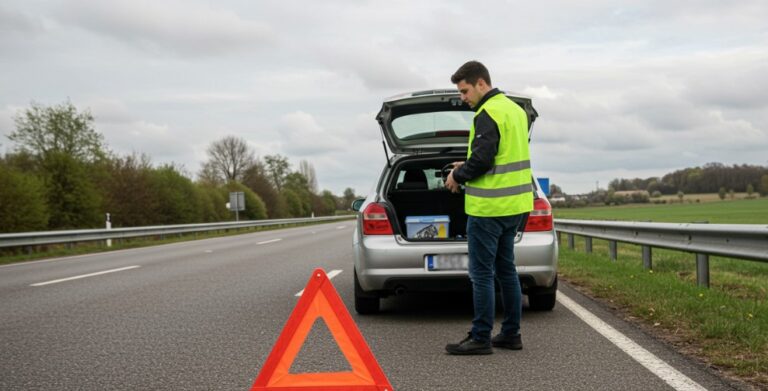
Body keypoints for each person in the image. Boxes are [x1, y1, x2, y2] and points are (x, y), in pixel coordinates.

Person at [444, 60, 534, 355]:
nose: (463, 97)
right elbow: (500, 156)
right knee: (506, 270)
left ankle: (481, 336)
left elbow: (484, 160)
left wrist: (457, 175)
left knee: (481, 274)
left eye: (465, 90)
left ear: (481, 83)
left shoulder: (487, 113)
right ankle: (511, 334)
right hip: (515, 207)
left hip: (489, 209)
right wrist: (467, 164)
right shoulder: (514, 110)